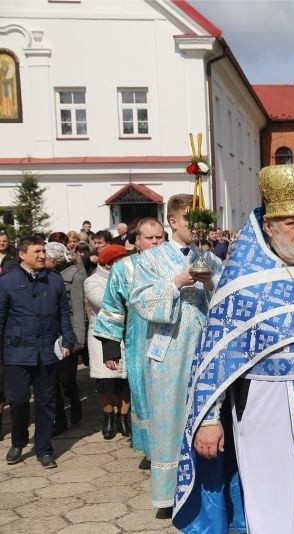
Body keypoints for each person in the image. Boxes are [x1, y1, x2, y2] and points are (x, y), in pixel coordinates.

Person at [173, 164, 294, 533]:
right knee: (279, 505)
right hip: (271, 410)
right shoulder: (243, 279)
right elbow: (214, 356)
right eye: (292, 222)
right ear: (269, 226)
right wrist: (209, 420)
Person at [129, 194, 223, 515]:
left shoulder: (211, 259)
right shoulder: (151, 259)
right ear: (173, 222)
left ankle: (207, 486)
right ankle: (168, 495)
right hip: (170, 348)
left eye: (202, 226)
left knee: (208, 411)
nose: (198, 232)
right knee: (169, 417)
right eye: (190, 224)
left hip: (206, 345)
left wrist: (210, 282)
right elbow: (140, 300)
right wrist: (177, 282)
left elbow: (226, 302)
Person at [94, 218, 165, 465]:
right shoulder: (124, 268)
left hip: (173, 338)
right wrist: (111, 349)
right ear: (137, 240)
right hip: (140, 339)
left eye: (159, 238)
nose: (155, 242)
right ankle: (150, 448)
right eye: (150, 238)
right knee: (144, 393)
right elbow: (113, 307)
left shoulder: (176, 264)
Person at [1, 236, 76, 469]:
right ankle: (18, 441)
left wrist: (68, 340)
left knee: (47, 402)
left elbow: (64, 312)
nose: (43, 255)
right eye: (37, 251)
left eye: (44, 251)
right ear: (22, 255)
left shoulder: (53, 280)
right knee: (19, 399)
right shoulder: (6, 282)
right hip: (17, 351)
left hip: (46, 350)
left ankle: (44, 449)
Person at [85, 244, 130, 440]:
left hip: (127, 333)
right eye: (121, 260)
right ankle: (109, 417)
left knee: (125, 380)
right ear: (111, 263)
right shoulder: (92, 281)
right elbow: (107, 304)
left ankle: (124, 417)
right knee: (107, 381)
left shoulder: (128, 277)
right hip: (102, 336)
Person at [44, 241, 86, 434]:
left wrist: (78, 340)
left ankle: (74, 399)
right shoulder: (44, 275)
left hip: (68, 332)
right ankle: (59, 421)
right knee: (52, 379)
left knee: (66, 377)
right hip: (50, 332)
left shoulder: (75, 275)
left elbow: (78, 308)